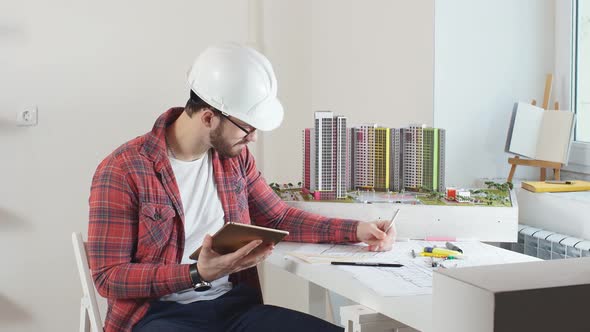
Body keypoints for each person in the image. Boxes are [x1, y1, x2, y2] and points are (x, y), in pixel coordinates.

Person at [88, 43, 397, 332]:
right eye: (247, 128)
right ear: (208, 117)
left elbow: (277, 218)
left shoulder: (233, 159)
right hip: (157, 317)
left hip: (234, 310)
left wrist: (357, 230)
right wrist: (197, 273)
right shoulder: (123, 170)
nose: (253, 138)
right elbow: (108, 277)